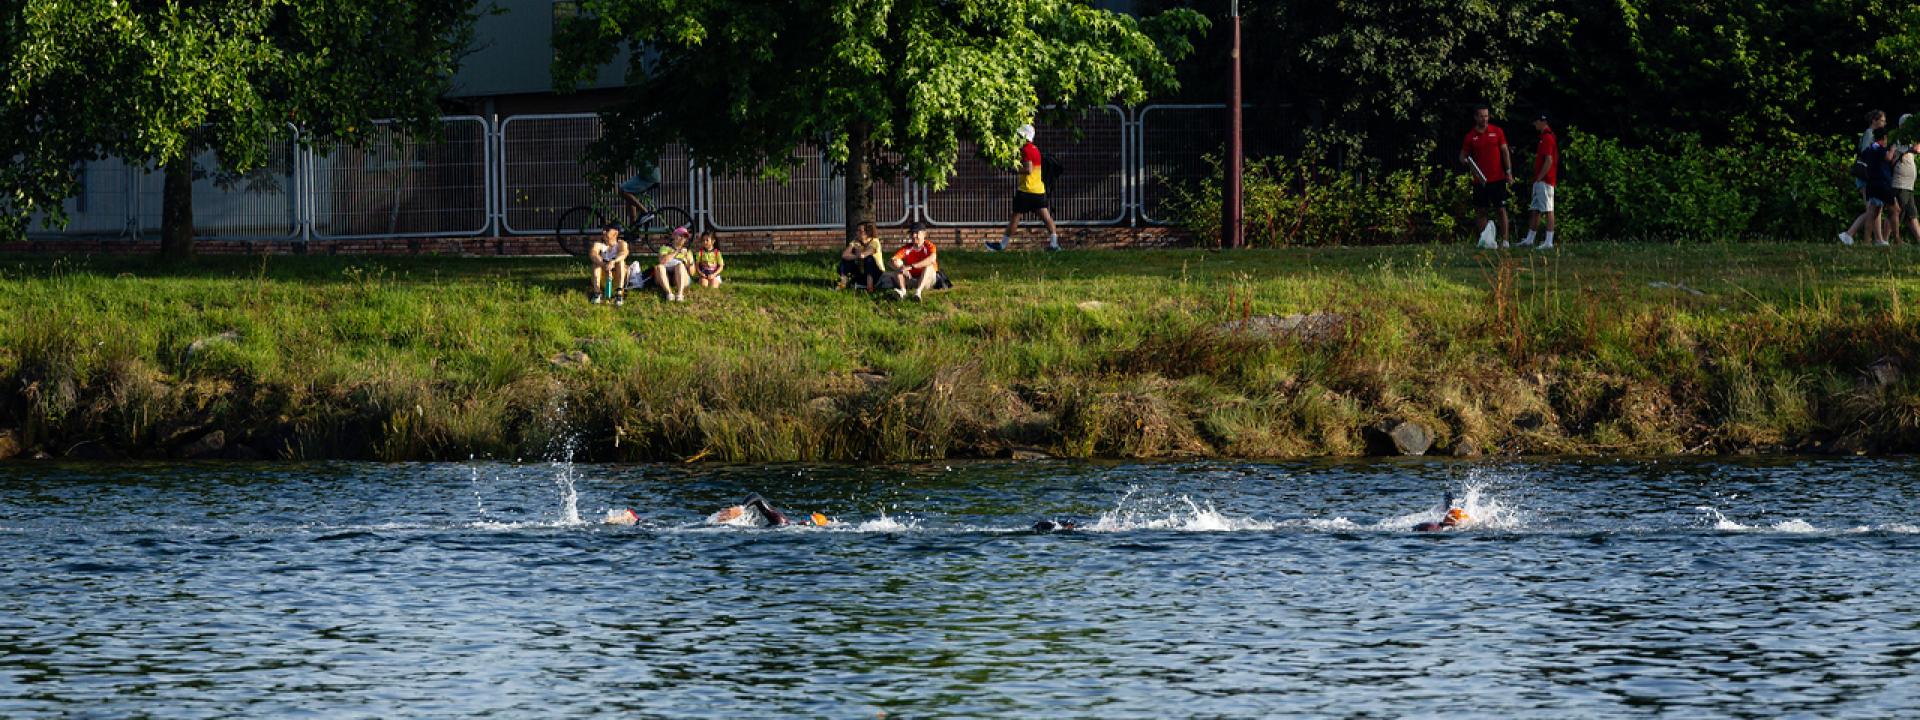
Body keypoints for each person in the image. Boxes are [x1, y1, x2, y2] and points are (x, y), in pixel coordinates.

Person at [988, 123, 1061, 252]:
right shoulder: (1035, 148)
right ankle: (1054, 244)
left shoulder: (1026, 149)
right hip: (1039, 190)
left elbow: (1028, 169)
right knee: (1046, 217)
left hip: (1026, 190)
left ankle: (1002, 245)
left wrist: (1013, 169)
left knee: (1015, 217)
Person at [1459, 105, 1513, 249]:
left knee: (1501, 209)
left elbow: (1505, 152)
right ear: (1476, 117)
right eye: (1482, 116)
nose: (1485, 119)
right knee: (1481, 210)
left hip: (1498, 179)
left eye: (1486, 116)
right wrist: (1465, 161)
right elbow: (1462, 156)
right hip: (1480, 180)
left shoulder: (1497, 131)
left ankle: (1505, 241)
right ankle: (1486, 241)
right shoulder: (1470, 136)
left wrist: (1508, 172)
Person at [1841, 110, 1890, 246]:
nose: (1884, 123)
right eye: (1882, 120)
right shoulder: (1870, 133)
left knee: (1875, 208)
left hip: (1870, 177)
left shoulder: (1873, 134)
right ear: (1874, 121)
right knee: (1872, 209)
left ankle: (1878, 239)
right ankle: (1849, 234)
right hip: (1866, 177)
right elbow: (1865, 151)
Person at [1516, 112, 1558, 250]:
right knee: (1535, 209)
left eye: (1536, 122)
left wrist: (1540, 177)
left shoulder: (1547, 137)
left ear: (1542, 122)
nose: (1534, 124)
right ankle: (1529, 239)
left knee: (1548, 209)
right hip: (1540, 180)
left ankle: (1549, 242)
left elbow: (1549, 160)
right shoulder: (1544, 137)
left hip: (1545, 180)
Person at [885, 221, 947, 301]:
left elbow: (932, 259)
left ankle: (918, 293)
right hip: (912, 279)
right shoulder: (907, 248)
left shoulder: (929, 246)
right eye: (912, 233)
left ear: (924, 234)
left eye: (917, 233)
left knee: (928, 266)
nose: (914, 236)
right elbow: (890, 261)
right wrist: (902, 268)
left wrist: (911, 266)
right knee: (898, 266)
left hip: (928, 280)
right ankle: (903, 292)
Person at [1859, 126, 1897, 247]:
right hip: (1882, 183)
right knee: (1895, 209)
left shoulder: (1870, 148)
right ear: (1884, 137)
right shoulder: (1879, 148)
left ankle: (1867, 240)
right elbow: (1888, 158)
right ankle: (1897, 238)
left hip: (1871, 183)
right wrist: (1892, 150)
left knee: (1873, 212)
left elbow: (1863, 155)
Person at [708, 495, 832, 527]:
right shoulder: (782, 521)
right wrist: (741, 508)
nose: (805, 522)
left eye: (809, 522)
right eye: (806, 518)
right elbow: (756, 496)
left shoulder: (783, 525)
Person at [1892, 115, 1919, 245]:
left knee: (1911, 214)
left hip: (1908, 184)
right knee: (1896, 211)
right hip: (1900, 182)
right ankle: (1885, 239)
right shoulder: (1900, 138)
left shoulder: (1908, 138)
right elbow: (1916, 149)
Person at [587, 225, 629, 306]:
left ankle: (619, 294)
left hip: (617, 277)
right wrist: (604, 264)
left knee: (621, 262)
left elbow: (624, 253)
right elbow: (593, 253)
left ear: (616, 232)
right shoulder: (598, 244)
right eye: (603, 230)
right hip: (602, 278)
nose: (604, 232)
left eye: (607, 230)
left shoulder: (621, 243)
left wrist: (613, 262)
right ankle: (597, 293)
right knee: (596, 263)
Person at [838, 222, 885, 291]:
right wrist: (856, 255)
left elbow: (864, 255)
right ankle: (843, 284)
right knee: (845, 261)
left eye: (860, 231)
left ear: (868, 232)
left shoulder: (874, 241)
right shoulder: (856, 241)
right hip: (862, 272)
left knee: (869, 259)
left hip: (876, 273)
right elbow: (844, 255)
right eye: (857, 230)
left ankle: (870, 288)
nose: (857, 233)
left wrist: (858, 250)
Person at [651, 226, 693, 301]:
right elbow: (662, 261)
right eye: (680, 235)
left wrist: (690, 261)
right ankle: (669, 293)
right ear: (674, 235)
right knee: (659, 267)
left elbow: (692, 273)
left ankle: (680, 294)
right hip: (666, 277)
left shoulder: (687, 252)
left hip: (681, 278)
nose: (682, 238)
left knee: (680, 265)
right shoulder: (665, 248)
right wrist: (677, 251)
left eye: (685, 237)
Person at [617, 160, 660, 226]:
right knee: (630, 196)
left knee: (622, 190)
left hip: (648, 177)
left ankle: (646, 213)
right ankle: (633, 227)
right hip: (648, 175)